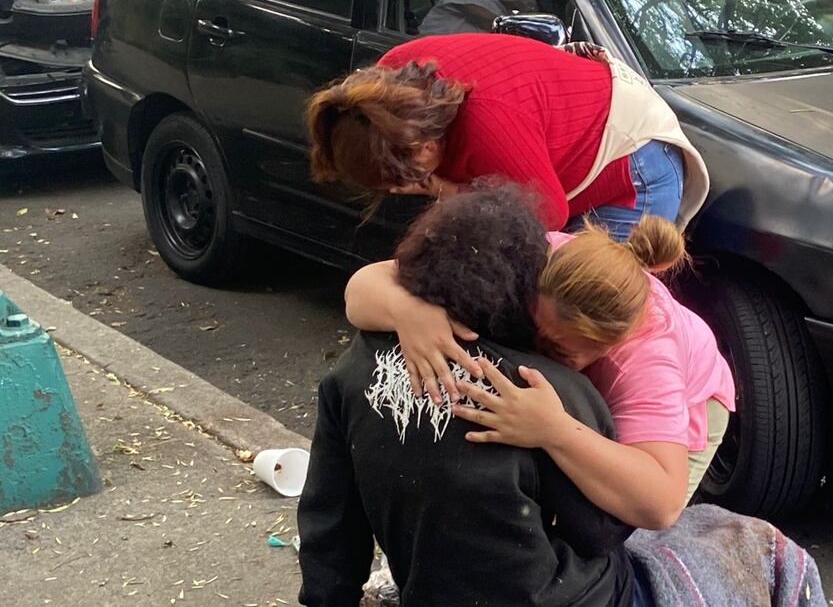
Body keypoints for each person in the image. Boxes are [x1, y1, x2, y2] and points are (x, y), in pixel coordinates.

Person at [297, 184, 637, 606]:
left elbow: (331, 525)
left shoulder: (352, 371)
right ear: (525, 289)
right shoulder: (545, 388)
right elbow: (599, 531)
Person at [344, 214, 736, 528]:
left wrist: (555, 431)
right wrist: (407, 310)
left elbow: (658, 505)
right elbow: (362, 287)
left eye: (556, 349)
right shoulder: (531, 256)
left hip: (693, 396)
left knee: (618, 535)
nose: (534, 348)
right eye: (532, 326)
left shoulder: (645, 361)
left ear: (605, 347)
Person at [304, 32, 710, 239]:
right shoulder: (380, 92)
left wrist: (441, 188)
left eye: (408, 178)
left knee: (593, 314)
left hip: (632, 159)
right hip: (555, 152)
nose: (405, 190)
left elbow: (546, 214)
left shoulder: (487, 121)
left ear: (425, 144)